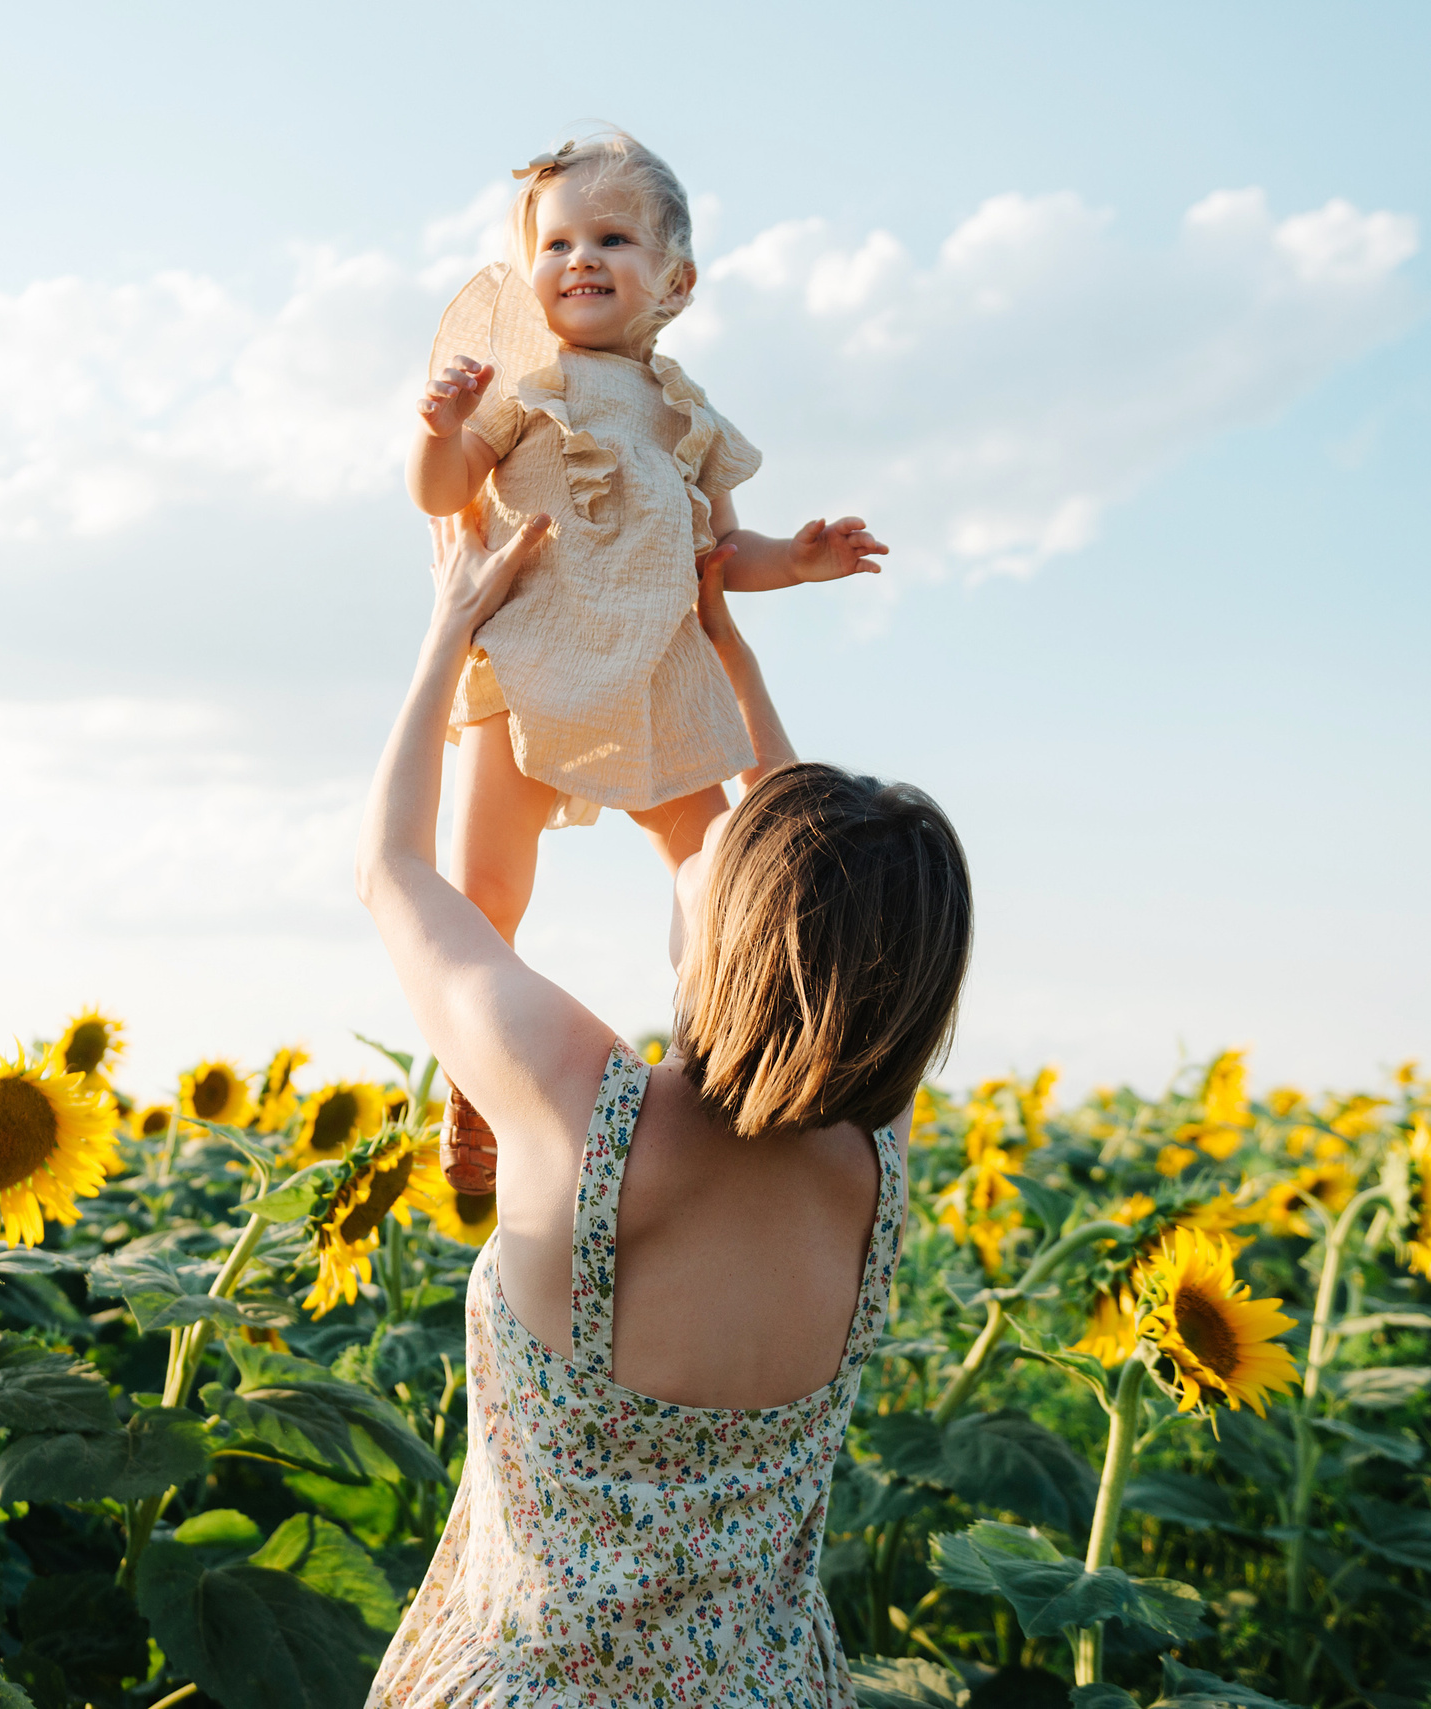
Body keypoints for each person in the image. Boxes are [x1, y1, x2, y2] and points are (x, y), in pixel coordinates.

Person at [355, 505, 974, 1705]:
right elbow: (820, 898)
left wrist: (449, 628)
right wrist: (726, 658)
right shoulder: (872, 1156)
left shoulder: (583, 1105)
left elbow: (394, 872)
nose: (688, 851)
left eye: (713, 854)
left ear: (744, 933)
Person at [408, 129, 887, 1174]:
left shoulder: (686, 413)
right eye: (556, 242)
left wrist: (797, 561)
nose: (579, 259)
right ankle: (477, 1085)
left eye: (612, 238)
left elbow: (721, 549)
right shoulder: (520, 383)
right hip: (529, 661)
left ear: (675, 280)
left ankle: (715, 1051)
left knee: (715, 871)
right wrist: (440, 432)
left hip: (660, 669)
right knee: (484, 886)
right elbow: (443, 496)